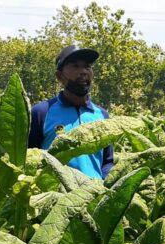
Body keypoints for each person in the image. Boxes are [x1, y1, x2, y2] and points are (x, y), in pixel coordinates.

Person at [28, 44, 113, 179]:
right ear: (59, 76)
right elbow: (29, 159)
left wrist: (106, 184)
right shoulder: (41, 112)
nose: (83, 72)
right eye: (75, 66)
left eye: (87, 66)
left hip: (94, 197)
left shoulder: (102, 115)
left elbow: (107, 161)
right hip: (55, 198)